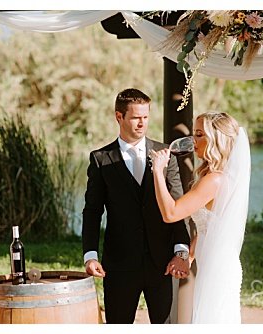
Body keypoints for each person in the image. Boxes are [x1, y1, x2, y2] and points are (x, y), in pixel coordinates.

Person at [82, 88, 191, 324]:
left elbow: (178, 206)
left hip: (161, 263)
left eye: (145, 117)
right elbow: (92, 212)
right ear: (119, 117)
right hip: (120, 265)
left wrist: (180, 251)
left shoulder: (166, 154)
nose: (142, 123)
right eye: (135, 117)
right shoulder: (101, 159)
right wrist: (90, 256)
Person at [149, 112, 251, 324]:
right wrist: (189, 256)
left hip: (218, 268)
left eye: (199, 135)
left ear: (216, 139)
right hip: (212, 261)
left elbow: (171, 214)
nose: (193, 141)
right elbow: (210, 228)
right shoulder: (214, 175)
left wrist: (158, 171)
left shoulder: (214, 180)